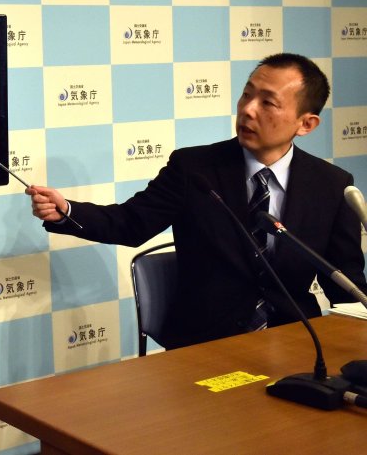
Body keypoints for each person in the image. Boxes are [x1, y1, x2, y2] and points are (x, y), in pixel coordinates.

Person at [27, 53, 367, 349]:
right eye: (246, 95)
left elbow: (345, 283)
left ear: (306, 124)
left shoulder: (331, 186)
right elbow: (131, 223)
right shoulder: (195, 169)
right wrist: (66, 211)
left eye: (268, 102)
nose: (248, 110)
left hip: (296, 340)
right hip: (204, 341)